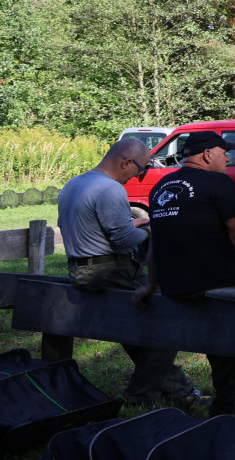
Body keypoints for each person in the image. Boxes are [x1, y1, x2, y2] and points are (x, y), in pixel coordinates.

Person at [133, 130, 235, 419]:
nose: (228, 158)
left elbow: (156, 242)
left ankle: (142, 399)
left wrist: (151, 285)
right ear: (207, 154)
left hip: (174, 287)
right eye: (224, 152)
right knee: (231, 354)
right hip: (214, 284)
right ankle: (226, 415)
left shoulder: (160, 186)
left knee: (179, 342)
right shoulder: (218, 182)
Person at [57, 137, 200, 407]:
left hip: (80, 269)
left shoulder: (74, 183)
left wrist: (130, 224)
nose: (138, 176)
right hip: (110, 270)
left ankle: (182, 391)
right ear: (125, 162)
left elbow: (84, 227)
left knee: (139, 328)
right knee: (167, 322)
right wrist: (151, 229)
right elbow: (123, 240)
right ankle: (139, 397)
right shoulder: (110, 189)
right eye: (140, 169)